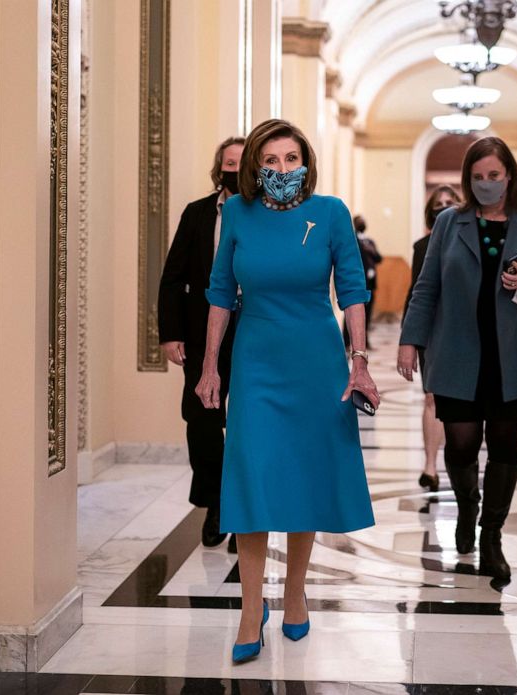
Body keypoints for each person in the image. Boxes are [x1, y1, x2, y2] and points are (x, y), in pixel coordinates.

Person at [195, 119, 378, 665]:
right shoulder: (238, 214)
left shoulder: (330, 213)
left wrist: (360, 360)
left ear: (306, 162)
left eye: (291, 159)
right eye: (269, 161)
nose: (281, 170)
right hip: (256, 363)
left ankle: (294, 591)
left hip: (317, 363)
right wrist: (210, 366)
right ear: (254, 167)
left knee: (303, 479)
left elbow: (352, 288)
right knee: (250, 479)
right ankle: (252, 608)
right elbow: (221, 292)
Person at [398, 136, 517, 581]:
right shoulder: (450, 222)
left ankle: (491, 536)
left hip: (513, 355)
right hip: (457, 351)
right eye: (478, 177)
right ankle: (467, 507)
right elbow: (427, 286)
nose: (487, 184)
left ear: (510, 176)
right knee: (462, 444)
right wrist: (410, 340)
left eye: (494, 176)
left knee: (505, 447)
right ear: (468, 180)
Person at [158, 136, 244, 550]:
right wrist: (170, 333)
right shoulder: (197, 214)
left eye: (244, 164)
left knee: (246, 421)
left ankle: (245, 510)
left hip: (252, 333)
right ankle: (215, 502)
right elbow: (173, 276)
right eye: (230, 163)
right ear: (219, 168)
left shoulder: (268, 215)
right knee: (202, 420)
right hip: (200, 334)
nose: (236, 170)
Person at [405, 185, 462, 492]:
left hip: (465, 332)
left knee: (460, 403)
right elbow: (416, 293)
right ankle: (430, 465)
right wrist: (409, 338)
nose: (443, 207)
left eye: (449, 203)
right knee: (432, 397)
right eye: (438, 204)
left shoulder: (471, 241)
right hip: (433, 331)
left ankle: (458, 465)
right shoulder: (421, 246)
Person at [344, 215, 382, 349]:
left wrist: (371, 250)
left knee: (368, 313)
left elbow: (379, 258)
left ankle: (365, 341)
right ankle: (348, 342)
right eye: (360, 222)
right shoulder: (353, 240)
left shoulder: (369, 241)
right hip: (359, 282)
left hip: (371, 283)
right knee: (353, 310)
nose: (362, 224)